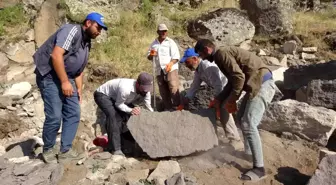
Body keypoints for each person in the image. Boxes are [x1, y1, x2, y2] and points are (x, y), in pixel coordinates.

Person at [194, 39, 276, 181]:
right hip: (255, 84)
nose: (202, 58)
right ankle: (249, 152)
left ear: (207, 49)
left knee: (248, 124)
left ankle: (259, 168)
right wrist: (219, 99)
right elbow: (232, 82)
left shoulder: (221, 54)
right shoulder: (222, 55)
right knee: (240, 119)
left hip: (262, 84)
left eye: (201, 54)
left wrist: (232, 99)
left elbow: (239, 77)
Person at [33, 12, 108, 163]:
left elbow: (78, 69)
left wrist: (78, 89)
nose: (99, 31)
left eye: (101, 29)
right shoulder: (71, 30)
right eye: (97, 27)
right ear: (88, 23)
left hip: (67, 77)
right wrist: (65, 82)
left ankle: (65, 150)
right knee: (54, 115)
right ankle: (48, 149)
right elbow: (56, 55)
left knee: (73, 112)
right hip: (49, 75)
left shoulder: (87, 43)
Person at [179, 48, 242, 148]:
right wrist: (185, 100)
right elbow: (194, 86)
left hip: (229, 87)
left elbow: (219, 85)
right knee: (216, 110)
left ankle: (236, 140)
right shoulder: (199, 70)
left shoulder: (207, 66)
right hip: (222, 89)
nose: (186, 65)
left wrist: (218, 101)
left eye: (187, 62)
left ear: (195, 59)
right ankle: (213, 135)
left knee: (223, 109)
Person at [93, 72, 154, 156]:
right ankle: (116, 149)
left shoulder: (146, 91)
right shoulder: (126, 88)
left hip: (118, 98)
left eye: (147, 89)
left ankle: (126, 144)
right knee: (112, 116)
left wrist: (154, 117)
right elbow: (119, 104)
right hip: (103, 95)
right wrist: (131, 110)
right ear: (138, 84)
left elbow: (148, 105)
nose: (145, 92)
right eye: (144, 89)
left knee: (127, 117)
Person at [147, 23, 181, 110]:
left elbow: (176, 56)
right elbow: (149, 57)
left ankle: (178, 107)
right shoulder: (154, 44)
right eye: (161, 31)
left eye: (165, 31)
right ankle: (168, 108)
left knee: (173, 87)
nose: (163, 33)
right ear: (158, 32)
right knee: (163, 91)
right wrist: (151, 54)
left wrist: (171, 63)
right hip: (159, 70)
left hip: (171, 68)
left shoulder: (170, 42)